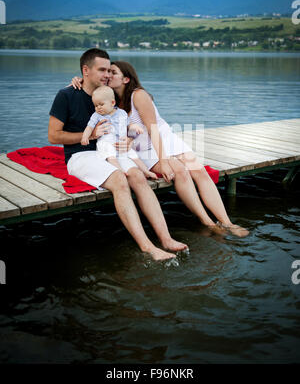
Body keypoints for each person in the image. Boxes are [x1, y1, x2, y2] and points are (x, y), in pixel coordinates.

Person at [72, 60, 249, 238]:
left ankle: (227, 222)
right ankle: (208, 222)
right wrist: (78, 80)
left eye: (113, 72)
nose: (108, 75)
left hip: (162, 138)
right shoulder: (111, 100)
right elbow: (93, 90)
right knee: (180, 170)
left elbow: (153, 129)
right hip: (142, 148)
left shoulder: (138, 95)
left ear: (126, 79)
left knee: (199, 171)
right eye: (106, 72)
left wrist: (164, 162)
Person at [48, 48, 188, 261]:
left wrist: (129, 139)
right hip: (81, 155)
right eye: (102, 70)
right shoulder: (66, 95)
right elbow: (53, 136)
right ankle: (147, 246)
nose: (107, 75)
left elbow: (129, 120)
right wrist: (91, 134)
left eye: (109, 69)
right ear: (86, 70)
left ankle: (166, 238)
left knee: (138, 177)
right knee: (119, 179)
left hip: (113, 151)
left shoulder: (111, 96)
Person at [81, 84, 157, 179]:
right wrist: (85, 137)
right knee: (110, 156)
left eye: (101, 104)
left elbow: (129, 124)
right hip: (106, 143)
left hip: (120, 142)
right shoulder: (96, 116)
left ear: (112, 103)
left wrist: (135, 127)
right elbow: (89, 127)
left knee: (134, 155)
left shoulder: (122, 113)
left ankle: (146, 171)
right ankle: (120, 170)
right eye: (96, 105)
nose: (98, 108)